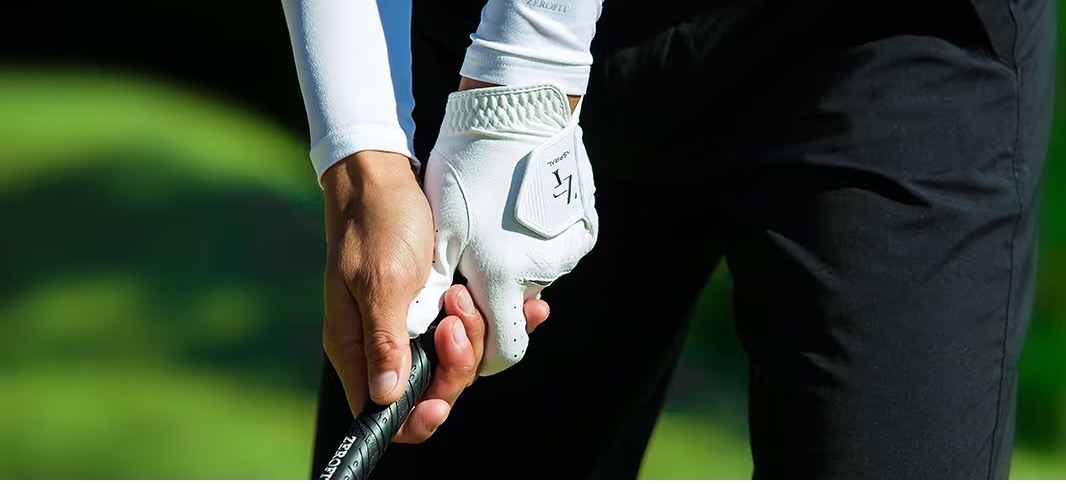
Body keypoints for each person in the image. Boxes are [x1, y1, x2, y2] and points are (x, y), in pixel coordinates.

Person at [281, 0, 1056, 478]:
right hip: (495, 37)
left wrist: (522, 80)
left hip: (897, 43)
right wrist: (364, 159)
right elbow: (371, 162)